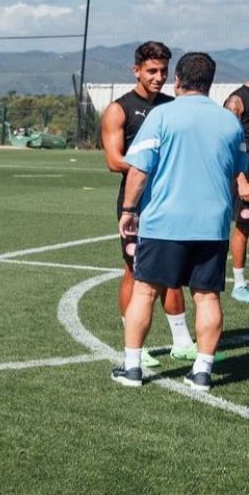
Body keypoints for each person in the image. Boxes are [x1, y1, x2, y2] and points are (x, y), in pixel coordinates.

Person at [111, 52, 247, 390]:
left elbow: (139, 170)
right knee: (207, 296)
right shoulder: (229, 121)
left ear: (178, 80)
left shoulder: (160, 116)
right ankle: (202, 371)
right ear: (210, 83)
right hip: (212, 225)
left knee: (144, 290)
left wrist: (128, 212)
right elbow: (237, 170)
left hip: (163, 222)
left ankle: (132, 368)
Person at [100, 42, 198, 366]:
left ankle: (182, 341)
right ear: (136, 70)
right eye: (151, 71)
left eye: (163, 71)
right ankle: (135, 343)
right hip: (136, 202)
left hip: (172, 201)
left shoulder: (173, 106)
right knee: (135, 271)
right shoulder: (120, 109)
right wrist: (154, 164)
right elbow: (114, 160)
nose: (158, 77)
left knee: (174, 270)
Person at [221, 82, 249, 302]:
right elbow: (229, 140)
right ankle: (239, 284)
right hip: (245, 173)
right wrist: (241, 180)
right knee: (244, 227)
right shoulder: (236, 100)